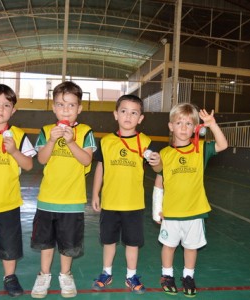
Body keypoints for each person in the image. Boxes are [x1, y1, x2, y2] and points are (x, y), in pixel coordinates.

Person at [152, 103, 228, 297]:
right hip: (171, 212)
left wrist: (212, 125)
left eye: (188, 123)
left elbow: (223, 145)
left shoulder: (201, 149)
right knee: (168, 247)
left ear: (195, 128)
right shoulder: (165, 154)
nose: (184, 127)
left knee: (191, 248)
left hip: (195, 211)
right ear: (171, 126)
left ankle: (188, 276)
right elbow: (160, 182)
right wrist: (156, 209)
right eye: (179, 122)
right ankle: (167, 275)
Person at [30, 81, 96, 299]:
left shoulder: (86, 131)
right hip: (47, 199)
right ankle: (44, 275)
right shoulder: (46, 130)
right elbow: (42, 159)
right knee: (46, 243)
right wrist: (51, 140)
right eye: (60, 104)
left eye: (70, 105)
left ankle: (66, 275)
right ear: (53, 107)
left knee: (68, 245)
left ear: (79, 108)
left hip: (72, 201)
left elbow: (86, 160)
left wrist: (70, 143)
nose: (65, 109)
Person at [91, 94, 160, 294]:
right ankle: (106, 272)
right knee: (108, 241)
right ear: (115, 114)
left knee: (132, 243)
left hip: (134, 204)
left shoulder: (146, 142)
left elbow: (158, 170)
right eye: (123, 111)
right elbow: (100, 169)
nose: (128, 116)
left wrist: (157, 162)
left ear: (140, 118)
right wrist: (95, 194)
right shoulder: (106, 142)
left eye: (134, 112)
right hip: (110, 203)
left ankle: (131, 276)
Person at [0, 83, 36, 300]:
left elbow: (28, 165)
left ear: (13, 110)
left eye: (6, 105)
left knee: (9, 245)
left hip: (8, 202)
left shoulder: (18, 136)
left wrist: (13, 151)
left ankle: (9, 277)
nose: (0, 109)